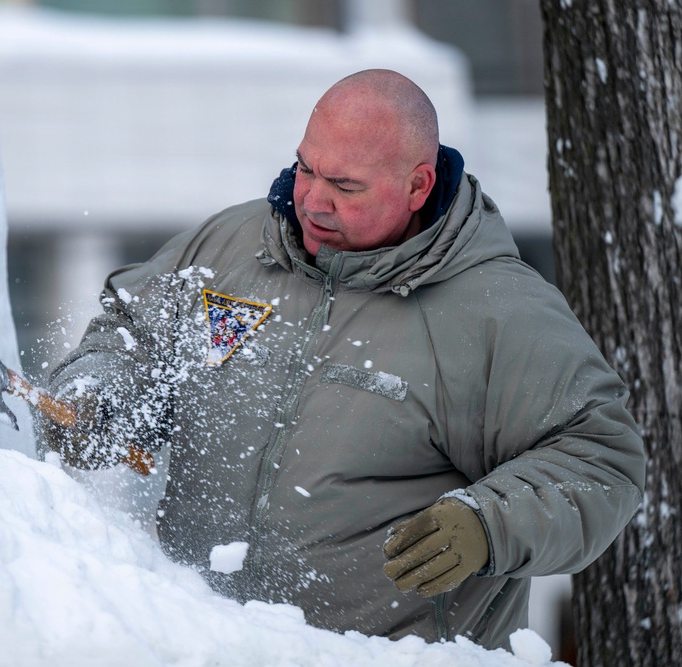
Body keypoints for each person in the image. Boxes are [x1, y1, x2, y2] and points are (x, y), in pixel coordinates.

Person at [41, 69, 645, 650]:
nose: (313, 201)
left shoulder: (498, 311)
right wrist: (102, 393)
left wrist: (489, 525)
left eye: (346, 186)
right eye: (307, 168)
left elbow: (600, 457)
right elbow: (131, 338)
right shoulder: (231, 245)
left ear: (418, 186)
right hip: (197, 641)